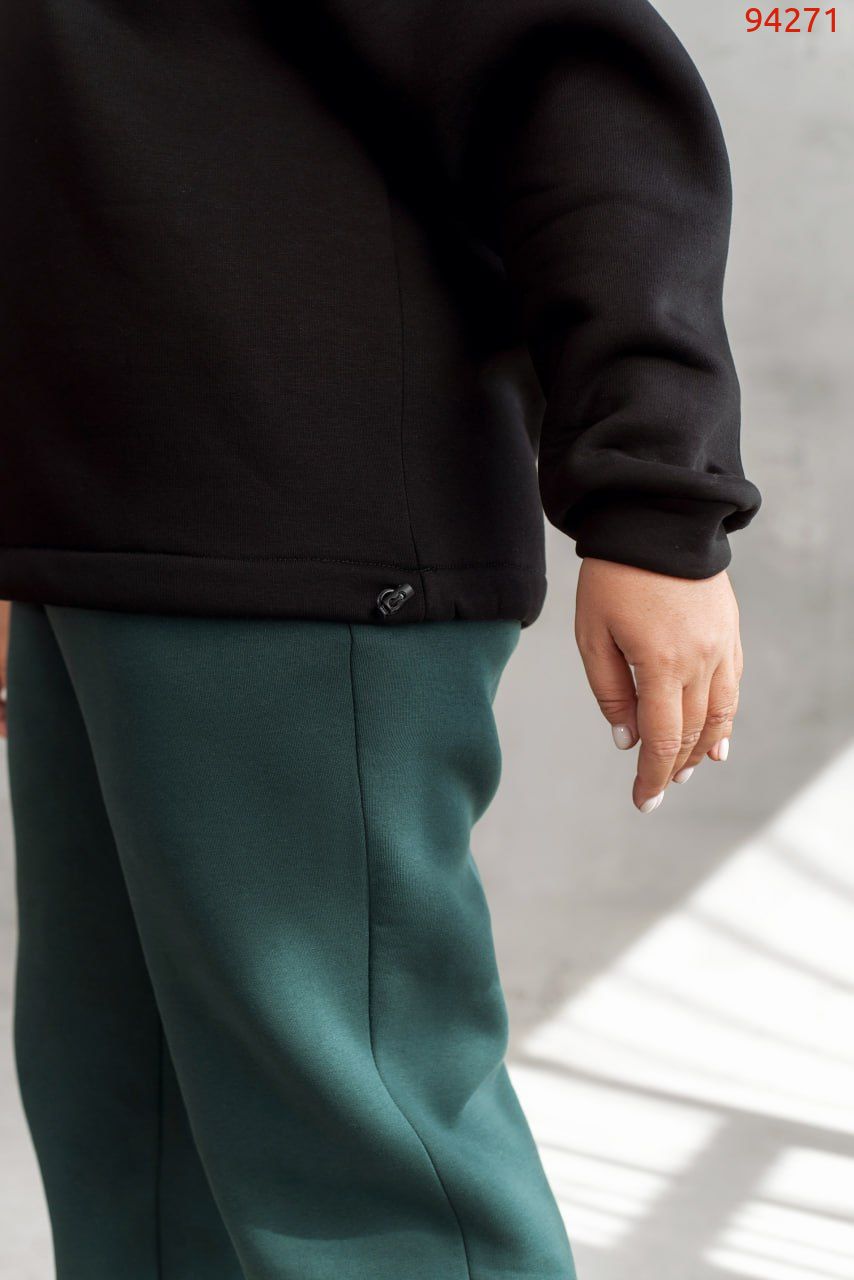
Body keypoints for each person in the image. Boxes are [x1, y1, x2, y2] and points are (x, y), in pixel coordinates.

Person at [0, 1, 760, 1277]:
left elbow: (573, 86)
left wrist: (654, 498)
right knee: (127, 1131)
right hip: (87, 542)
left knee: (365, 1172)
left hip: (301, 540)